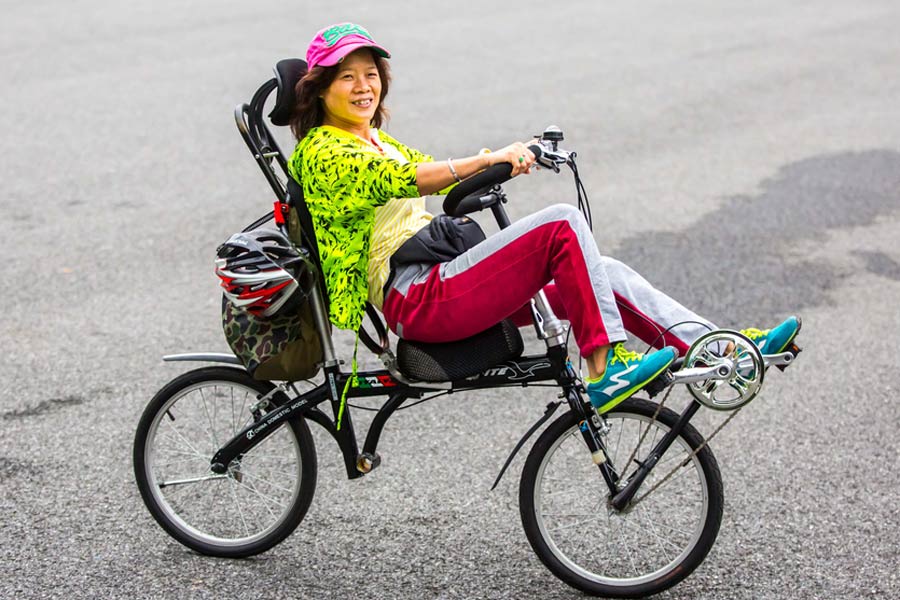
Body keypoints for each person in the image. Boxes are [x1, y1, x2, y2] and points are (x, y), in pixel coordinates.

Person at [286, 22, 801, 414]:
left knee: (604, 273)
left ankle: (721, 351)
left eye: (370, 75)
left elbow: (433, 178)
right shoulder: (323, 151)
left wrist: (507, 163)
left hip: (439, 280)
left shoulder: (372, 137)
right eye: (346, 76)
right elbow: (412, 178)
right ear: (321, 88)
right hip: (417, 297)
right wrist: (491, 158)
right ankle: (604, 371)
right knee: (559, 225)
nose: (362, 86)